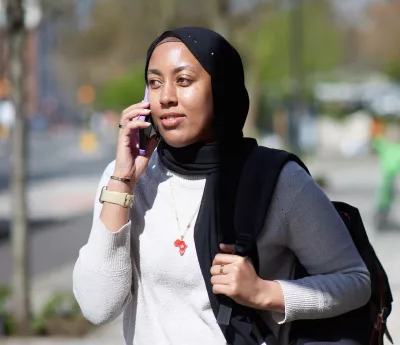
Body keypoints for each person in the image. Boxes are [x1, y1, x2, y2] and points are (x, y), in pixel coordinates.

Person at [73, 27, 371, 345]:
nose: (166, 96)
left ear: (221, 89)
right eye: (155, 82)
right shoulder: (126, 179)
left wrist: (264, 292)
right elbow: (97, 307)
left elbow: (355, 281)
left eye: (184, 80)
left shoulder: (278, 181)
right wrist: (123, 182)